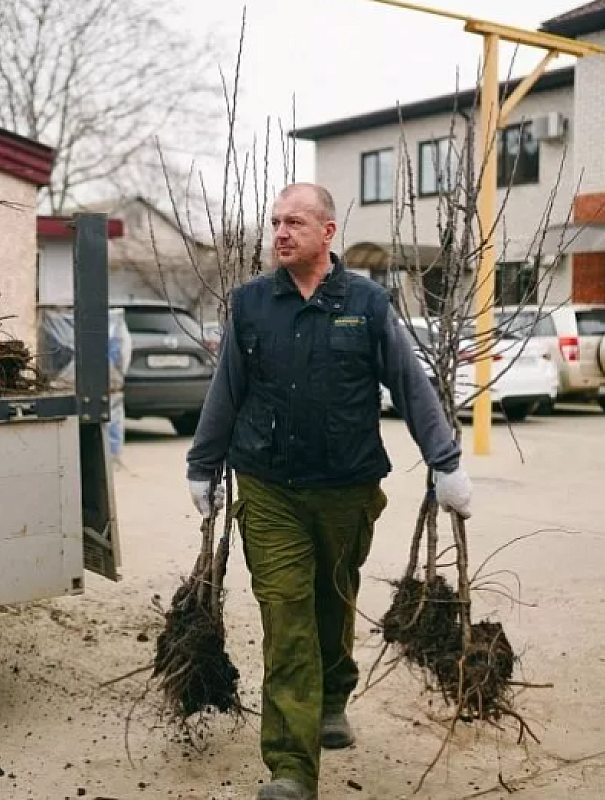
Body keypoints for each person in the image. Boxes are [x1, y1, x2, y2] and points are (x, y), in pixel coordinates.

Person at [185, 183, 473, 800]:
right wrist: (202, 466)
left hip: (347, 488)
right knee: (286, 617)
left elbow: (409, 383)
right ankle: (291, 767)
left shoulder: (366, 303)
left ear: (328, 232)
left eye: (294, 222)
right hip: (269, 489)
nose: (280, 233)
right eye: (275, 223)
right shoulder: (253, 304)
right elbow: (227, 390)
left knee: (331, 602)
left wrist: (444, 461)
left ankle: (332, 697)